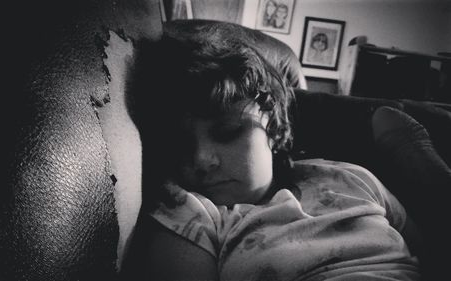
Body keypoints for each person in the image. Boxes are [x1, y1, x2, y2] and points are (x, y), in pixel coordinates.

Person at [131, 34, 421, 281]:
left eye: (228, 132)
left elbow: (427, 244)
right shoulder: (192, 211)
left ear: (272, 127)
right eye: (179, 145)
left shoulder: (350, 177)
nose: (202, 160)